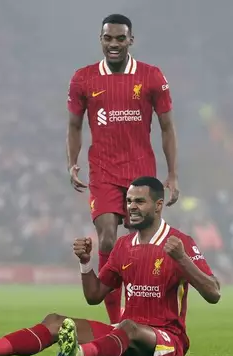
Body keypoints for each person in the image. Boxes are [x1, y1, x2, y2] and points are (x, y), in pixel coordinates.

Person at [0, 177, 219, 356]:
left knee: (128, 327)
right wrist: (85, 263)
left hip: (166, 342)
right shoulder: (124, 245)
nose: (131, 207)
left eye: (140, 202)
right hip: (123, 335)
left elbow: (214, 293)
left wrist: (183, 259)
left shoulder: (180, 242)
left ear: (158, 206)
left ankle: (76, 355)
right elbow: (94, 295)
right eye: (129, 201)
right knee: (55, 321)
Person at [66, 14, 180, 324]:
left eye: (120, 39)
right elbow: (75, 125)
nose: (113, 44)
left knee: (138, 244)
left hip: (141, 171)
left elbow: (167, 127)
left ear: (130, 40)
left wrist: (171, 174)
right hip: (102, 169)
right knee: (106, 240)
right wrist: (72, 161)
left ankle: (143, 314)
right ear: (100, 40)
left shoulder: (152, 77)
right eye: (108, 38)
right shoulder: (83, 79)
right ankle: (117, 321)